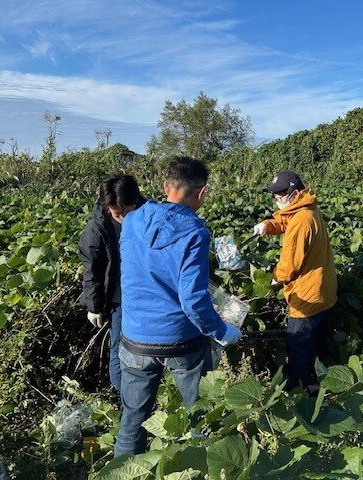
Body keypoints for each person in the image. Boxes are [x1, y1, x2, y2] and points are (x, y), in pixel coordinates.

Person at [114, 157, 241, 456]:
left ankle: (123, 473)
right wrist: (222, 330)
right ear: (201, 192)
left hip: (134, 339)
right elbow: (193, 300)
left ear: (165, 186)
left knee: (133, 418)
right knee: (200, 416)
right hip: (181, 341)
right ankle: (201, 468)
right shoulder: (195, 232)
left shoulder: (132, 220)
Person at [253, 171, 337, 391]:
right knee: (315, 341)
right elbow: (284, 219)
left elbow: (289, 265)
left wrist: (272, 280)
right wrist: (267, 225)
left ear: (295, 192)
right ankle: (320, 380)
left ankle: (301, 390)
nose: (276, 198)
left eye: (280, 194)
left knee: (298, 343)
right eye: (274, 194)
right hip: (323, 289)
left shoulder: (301, 222)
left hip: (306, 296)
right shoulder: (308, 208)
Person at [78, 175, 144, 393]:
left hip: (146, 294)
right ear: (107, 208)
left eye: (128, 212)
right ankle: (122, 396)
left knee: (147, 350)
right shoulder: (96, 230)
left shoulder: (149, 214)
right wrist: (93, 305)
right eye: (118, 214)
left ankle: (144, 394)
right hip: (120, 298)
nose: (124, 218)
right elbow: (92, 270)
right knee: (119, 348)